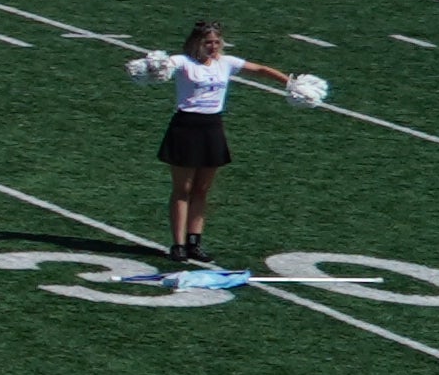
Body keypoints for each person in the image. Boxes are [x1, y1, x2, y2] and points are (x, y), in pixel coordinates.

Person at [126, 20, 321, 274]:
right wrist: (151, 67)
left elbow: (260, 69)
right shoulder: (183, 62)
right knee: (182, 189)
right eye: (209, 42)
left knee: (202, 190)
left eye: (217, 42)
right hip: (186, 127)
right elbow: (163, 66)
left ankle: (195, 242)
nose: (214, 47)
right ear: (197, 42)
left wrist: (290, 83)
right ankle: (178, 245)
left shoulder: (226, 63)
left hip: (212, 127)